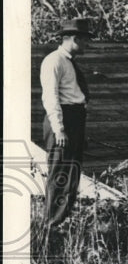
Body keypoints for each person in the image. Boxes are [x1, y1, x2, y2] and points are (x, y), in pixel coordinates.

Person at [40, 18, 93, 229]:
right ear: (74, 38)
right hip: (62, 120)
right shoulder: (54, 61)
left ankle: (61, 222)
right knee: (60, 174)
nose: (87, 45)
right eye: (85, 40)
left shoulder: (69, 61)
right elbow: (50, 98)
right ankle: (51, 224)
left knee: (72, 174)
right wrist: (59, 129)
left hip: (75, 119)